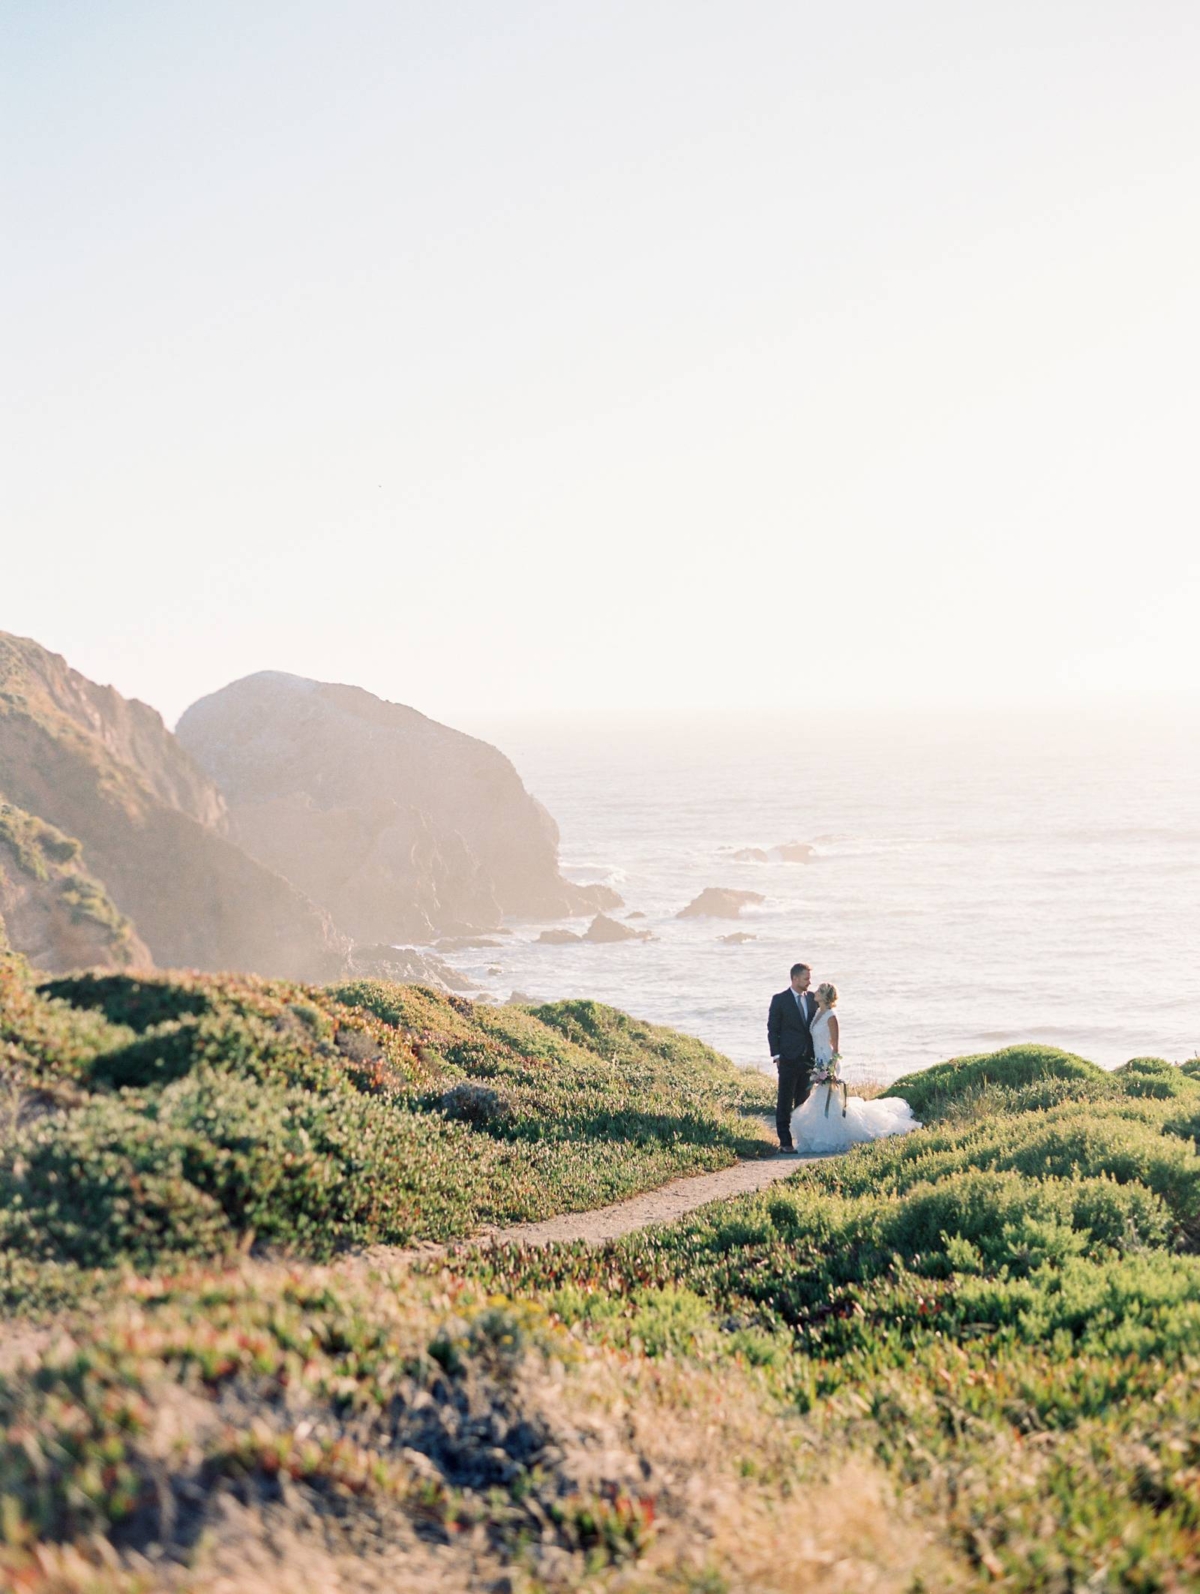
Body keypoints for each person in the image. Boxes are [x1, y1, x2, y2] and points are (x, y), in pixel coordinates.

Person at [789, 983, 921, 1154]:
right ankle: (821, 1134)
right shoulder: (818, 1013)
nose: (815, 992)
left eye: (820, 990)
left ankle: (831, 1136)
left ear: (826, 996)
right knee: (820, 1099)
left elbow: (835, 1046)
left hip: (828, 1061)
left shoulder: (831, 1016)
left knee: (829, 1099)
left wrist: (831, 1068)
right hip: (818, 1061)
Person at [767, 962, 817, 1153]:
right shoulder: (780, 1000)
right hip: (787, 1058)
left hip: (807, 1059)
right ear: (795, 978)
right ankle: (785, 1142)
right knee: (785, 1100)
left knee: (803, 1102)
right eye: (806, 978)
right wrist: (777, 1055)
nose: (809, 982)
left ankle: (803, 1140)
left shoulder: (813, 998)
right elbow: (773, 1029)